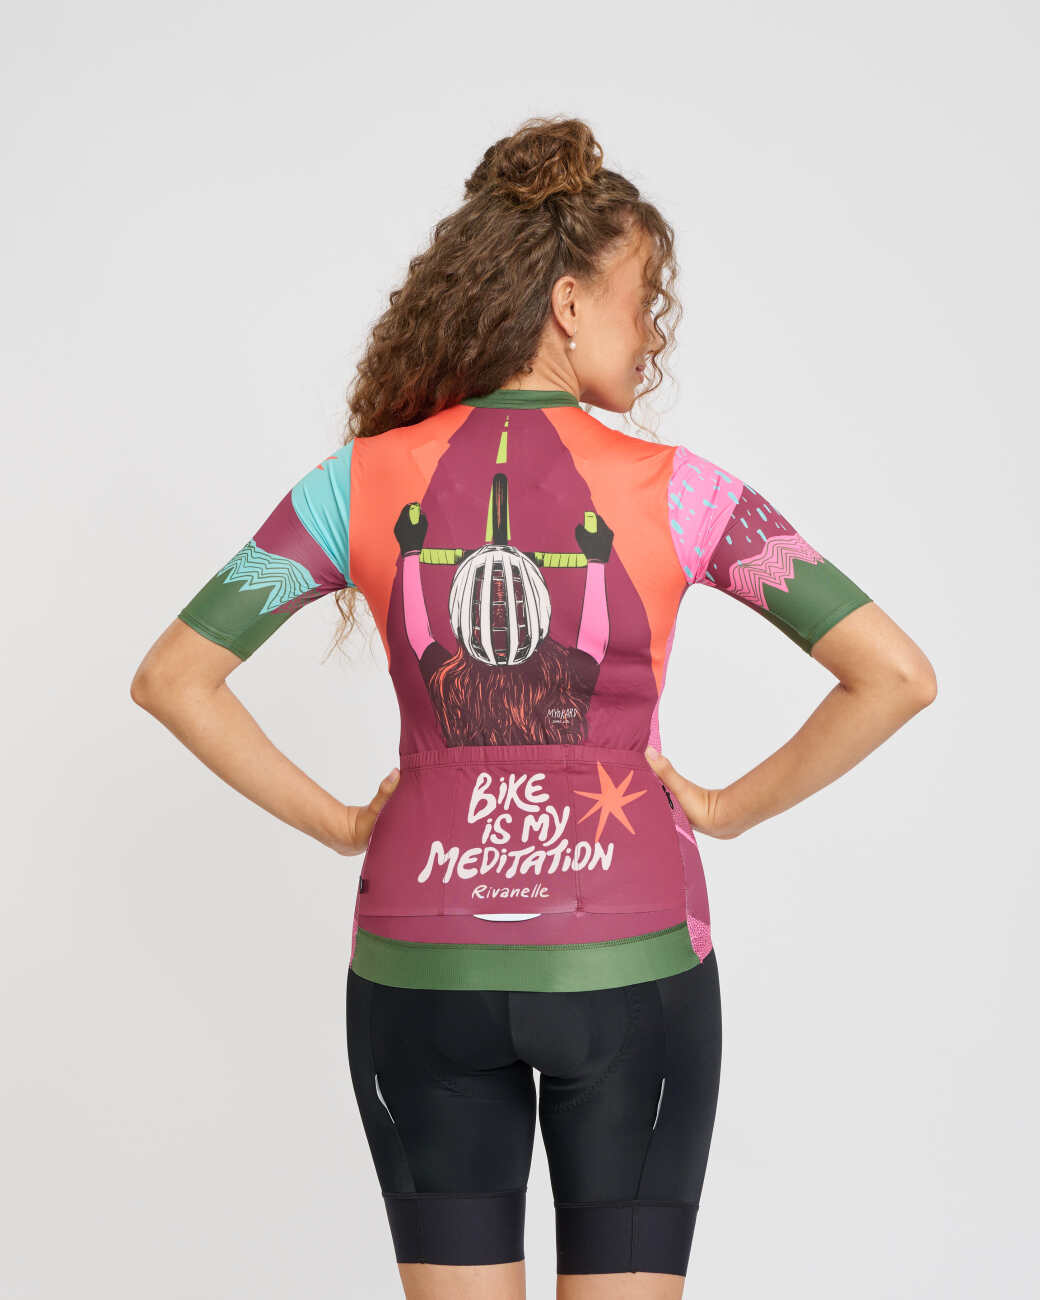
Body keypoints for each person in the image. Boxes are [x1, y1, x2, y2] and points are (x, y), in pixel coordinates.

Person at [130, 116, 937, 1300]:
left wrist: (344, 825)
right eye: (640, 300)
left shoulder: (357, 481)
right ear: (567, 303)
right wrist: (720, 809)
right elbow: (895, 674)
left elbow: (173, 674)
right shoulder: (683, 494)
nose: (650, 332)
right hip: (632, 965)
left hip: (419, 973)